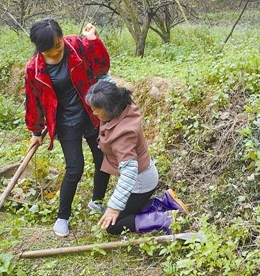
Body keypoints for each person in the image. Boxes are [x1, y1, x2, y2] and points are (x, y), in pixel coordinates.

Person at [24, 18, 111, 237]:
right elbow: (33, 100)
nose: (56, 51)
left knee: (102, 158)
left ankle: (97, 201)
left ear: (62, 38)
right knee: (75, 168)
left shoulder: (75, 45)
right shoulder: (34, 69)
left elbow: (102, 65)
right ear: (39, 48)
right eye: (49, 50)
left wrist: (93, 40)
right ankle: (62, 217)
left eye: (58, 44)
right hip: (65, 121)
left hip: (89, 112)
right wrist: (36, 132)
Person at [85, 81, 188, 235]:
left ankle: (164, 218)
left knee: (113, 225)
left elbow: (129, 172)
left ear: (109, 108)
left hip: (140, 182)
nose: (94, 114)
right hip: (144, 174)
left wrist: (114, 206)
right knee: (122, 211)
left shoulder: (123, 134)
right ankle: (163, 202)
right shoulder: (121, 108)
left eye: (96, 110)